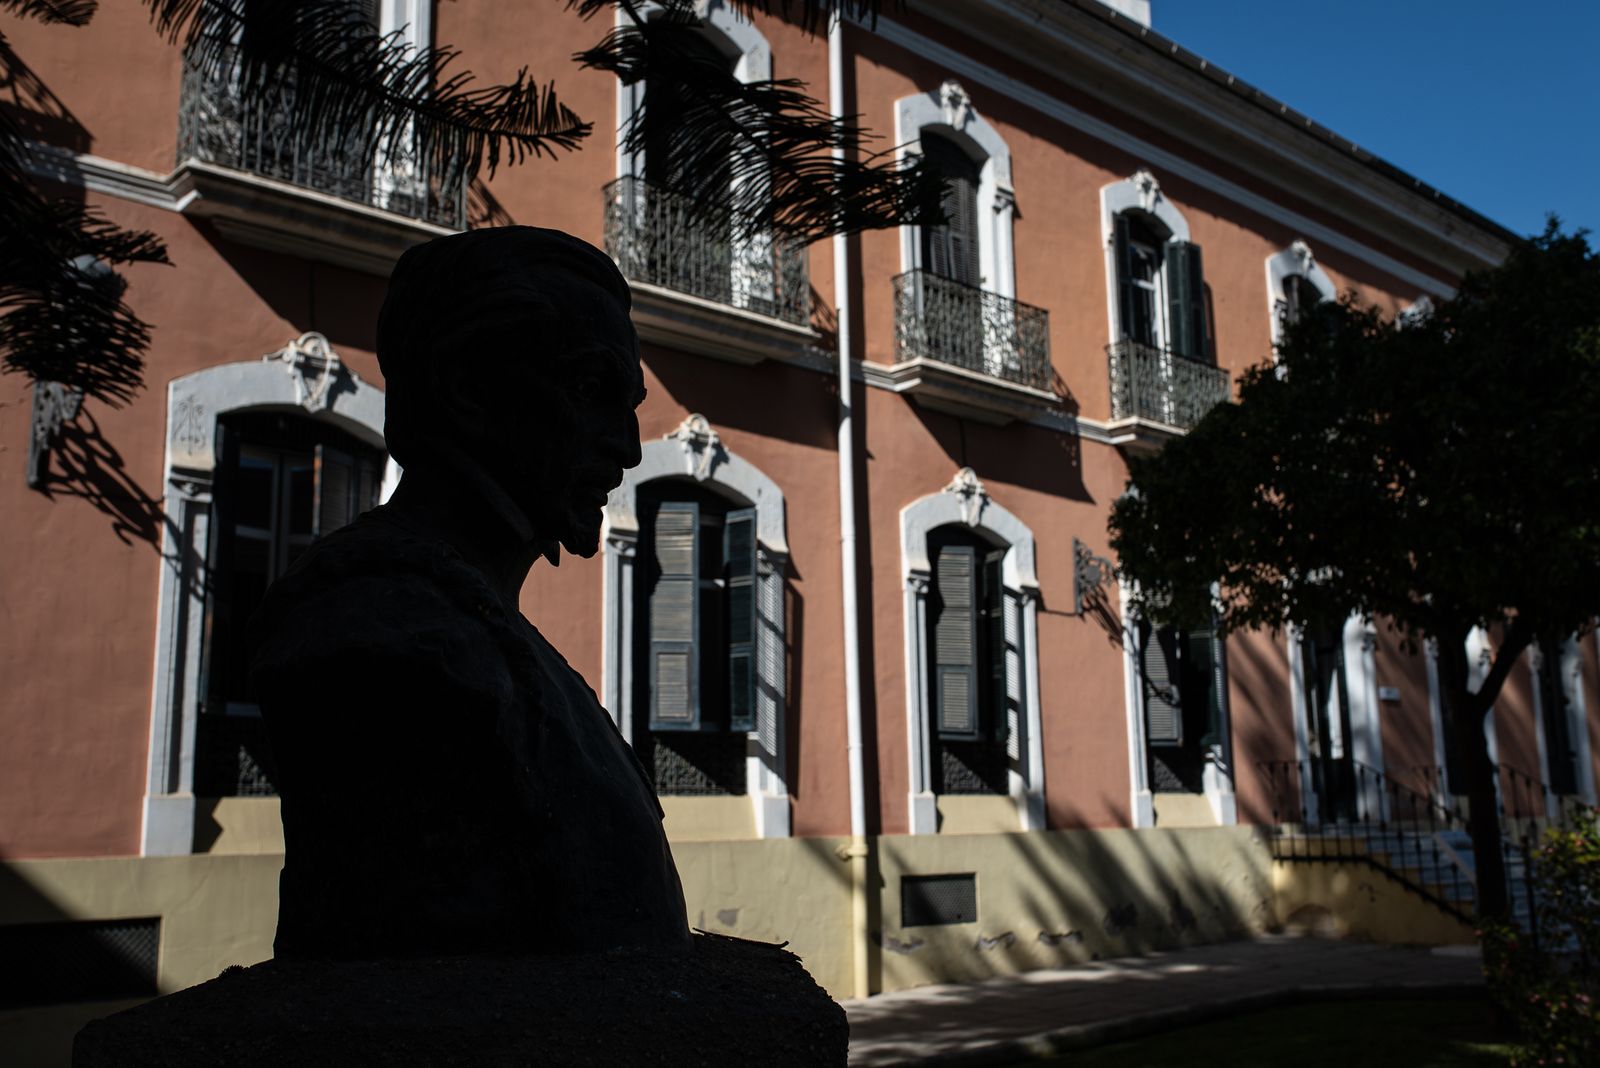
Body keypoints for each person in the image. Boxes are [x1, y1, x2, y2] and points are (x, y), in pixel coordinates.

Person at [250, 227, 690, 959]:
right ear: (468, 387)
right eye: (591, 388)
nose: (629, 446)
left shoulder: (481, 630)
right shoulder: (381, 640)